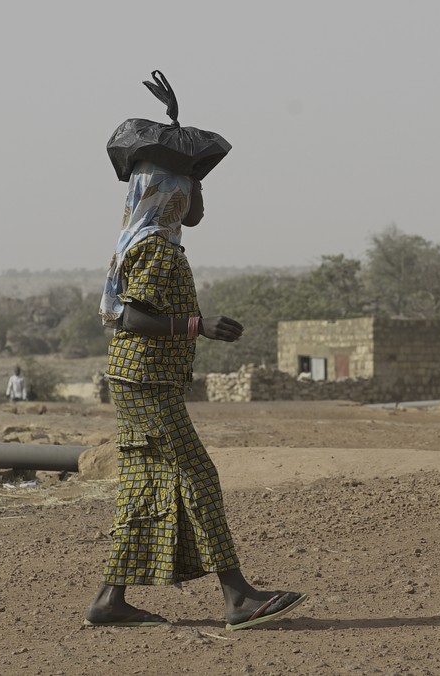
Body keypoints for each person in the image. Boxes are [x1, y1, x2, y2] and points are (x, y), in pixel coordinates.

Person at [86, 161, 305, 629]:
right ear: (171, 201)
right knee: (198, 475)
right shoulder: (156, 251)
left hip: (140, 378)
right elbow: (130, 318)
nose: (199, 203)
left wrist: (196, 177)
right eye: (191, 194)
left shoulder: (147, 243)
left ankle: (109, 601)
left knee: (145, 484)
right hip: (147, 382)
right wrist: (196, 327)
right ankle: (238, 597)